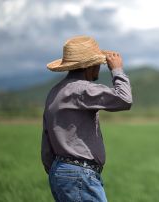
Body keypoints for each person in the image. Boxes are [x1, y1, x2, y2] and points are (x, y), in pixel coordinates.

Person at [41, 35, 133, 202]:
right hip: (79, 174)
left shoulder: (55, 92)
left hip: (60, 171)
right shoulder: (82, 90)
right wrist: (117, 69)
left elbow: (47, 140)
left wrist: (59, 171)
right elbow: (124, 99)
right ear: (90, 66)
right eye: (99, 63)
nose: (100, 67)